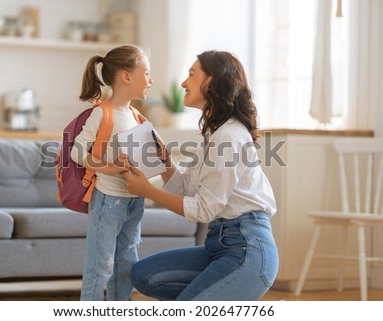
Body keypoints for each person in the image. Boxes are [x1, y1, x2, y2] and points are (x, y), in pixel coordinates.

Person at [123, 50, 279, 301]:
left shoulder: (228, 137)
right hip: (220, 245)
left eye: (192, 75)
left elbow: (204, 209)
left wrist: (147, 191)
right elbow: (183, 185)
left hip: (247, 248)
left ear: (213, 81)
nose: (184, 83)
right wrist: (163, 159)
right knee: (143, 275)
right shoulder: (215, 135)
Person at [70, 45, 153, 301]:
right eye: (146, 73)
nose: (151, 80)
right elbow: (76, 152)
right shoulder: (101, 113)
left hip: (134, 203)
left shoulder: (137, 116)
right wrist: (109, 166)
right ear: (126, 77)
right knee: (100, 267)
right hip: (108, 201)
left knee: (126, 268)